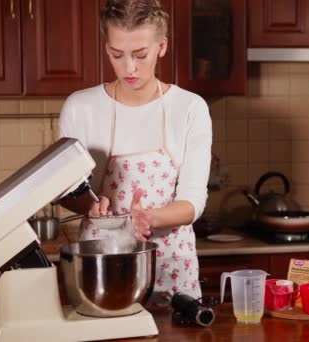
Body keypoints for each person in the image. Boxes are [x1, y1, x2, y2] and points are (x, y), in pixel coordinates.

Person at [58, 0, 212, 302]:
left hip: (171, 268)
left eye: (140, 55)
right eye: (118, 55)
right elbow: (66, 192)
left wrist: (150, 218)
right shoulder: (81, 107)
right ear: (107, 49)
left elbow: (194, 201)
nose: (129, 67)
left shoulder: (189, 108)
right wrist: (88, 205)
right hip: (101, 266)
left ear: (161, 47)